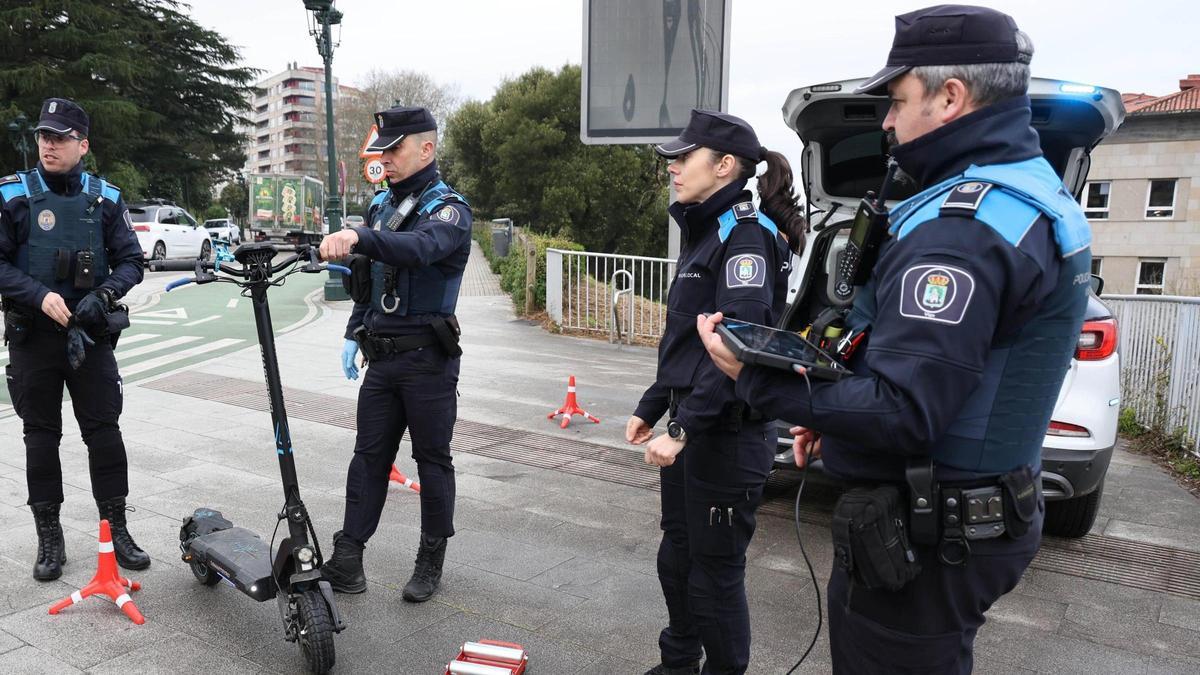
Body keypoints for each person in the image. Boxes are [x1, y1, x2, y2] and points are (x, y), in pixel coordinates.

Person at [697, 6, 1093, 673]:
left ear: (950, 96)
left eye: (898, 100)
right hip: (960, 513)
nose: (886, 121)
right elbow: (910, 362)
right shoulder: (1025, 193)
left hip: (931, 537)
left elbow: (906, 409)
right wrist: (834, 418)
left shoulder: (963, 232)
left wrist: (756, 379)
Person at [629, 109, 804, 675]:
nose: (673, 169)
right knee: (676, 560)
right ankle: (679, 662)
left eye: (684, 158)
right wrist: (653, 407)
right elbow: (686, 338)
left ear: (725, 166)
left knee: (714, 577)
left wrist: (682, 428)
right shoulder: (707, 229)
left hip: (726, 436)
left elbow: (737, 351)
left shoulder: (745, 237)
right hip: (694, 427)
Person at [318, 105, 471, 603]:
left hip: (428, 360)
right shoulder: (381, 206)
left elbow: (418, 249)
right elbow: (368, 282)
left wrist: (360, 235)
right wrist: (353, 329)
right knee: (368, 457)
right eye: (381, 150)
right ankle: (349, 557)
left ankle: (431, 557)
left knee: (431, 460)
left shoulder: (448, 210)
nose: (386, 158)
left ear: (426, 148)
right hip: (382, 359)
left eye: (395, 148)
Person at [0, 98, 148, 580]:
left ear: (83, 145)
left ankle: (117, 529)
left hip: (90, 337)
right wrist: (39, 295)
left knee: (104, 434)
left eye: (60, 137)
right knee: (40, 437)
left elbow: (132, 261)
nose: (49, 144)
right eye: (44, 135)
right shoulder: (13, 196)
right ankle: (50, 537)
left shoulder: (106, 198)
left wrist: (104, 295)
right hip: (34, 338)